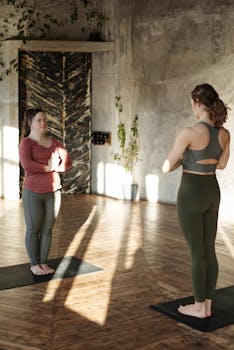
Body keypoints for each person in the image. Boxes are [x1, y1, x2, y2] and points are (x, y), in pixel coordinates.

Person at [162, 83, 230, 318]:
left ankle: (199, 305)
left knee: (195, 252)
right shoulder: (224, 133)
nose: (192, 107)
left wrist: (184, 158)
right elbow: (220, 165)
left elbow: (166, 166)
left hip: (191, 192)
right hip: (212, 190)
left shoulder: (188, 132)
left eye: (192, 103)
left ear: (198, 104)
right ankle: (207, 305)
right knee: (209, 249)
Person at [19, 108, 72, 276]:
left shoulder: (54, 142)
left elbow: (67, 163)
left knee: (48, 229)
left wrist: (54, 167)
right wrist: (49, 167)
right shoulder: (26, 143)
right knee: (34, 229)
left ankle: (43, 262)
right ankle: (34, 264)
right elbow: (28, 165)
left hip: (53, 191)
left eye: (44, 120)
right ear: (30, 123)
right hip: (33, 192)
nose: (43, 123)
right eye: (39, 120)